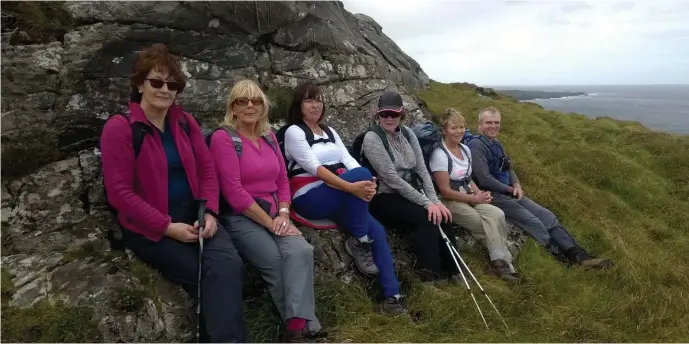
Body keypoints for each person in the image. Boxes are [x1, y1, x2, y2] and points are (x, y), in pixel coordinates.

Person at [100, 44, 246, 342]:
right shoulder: (120, 128)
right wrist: (166, 227)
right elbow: (119, 193)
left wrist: (210, 213)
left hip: (196, 215)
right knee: (206, 274)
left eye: (173, 84)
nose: (165, 89)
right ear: (140, 84)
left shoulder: (184, 121)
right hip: (150, 227)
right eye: (156, 81)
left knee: (230, 265)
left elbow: (207, 171)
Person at [209, 79, 323, 342]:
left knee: (301, 251)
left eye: (256, 101)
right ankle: (306, 327)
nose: (250, 106)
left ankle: (296, 324)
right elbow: (234, 192)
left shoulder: (270, 136)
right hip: (242, 217)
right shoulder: (223, 139)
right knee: (275, 261)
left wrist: (283, 214)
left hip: (275, 213)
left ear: (263, 106)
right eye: (242, 101)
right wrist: (271, 222)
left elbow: (283, 180)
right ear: (233, 107)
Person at [282, 81, 407, 315]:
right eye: (309, 100)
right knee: (361, 174)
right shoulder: (294, 132)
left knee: (377, 230)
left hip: (338, 193)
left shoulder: (329, 131)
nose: (315, 105)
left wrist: (366, 183)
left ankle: (393, 297)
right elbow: (313, 167)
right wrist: (354, 186)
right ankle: (359, 240)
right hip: (309, 196)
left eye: (318, 99)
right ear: (299, 105)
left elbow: (348, 161)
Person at [466, 106, 612, 268]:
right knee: (534, 222)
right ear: (479, 124)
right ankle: (564, 260)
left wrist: (517, 185)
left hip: (508, 192)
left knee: (547, 216)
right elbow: (484, 179)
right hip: (492, 196)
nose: (493, 126)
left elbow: (508, 167)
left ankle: (580, 255)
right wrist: (509, 190)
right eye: (488, 123)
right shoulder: (476, 145)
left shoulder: (496, 143)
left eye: (496, 122)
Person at [362, 91, 460, 284]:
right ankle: (430, 276)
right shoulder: (372, 139)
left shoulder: (407, 133)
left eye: (394, 114)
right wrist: (427, 204)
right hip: (383, 196)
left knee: (443, 213)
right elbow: (391, 179)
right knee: (426, 217)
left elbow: (421, 169)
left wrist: (435, 202)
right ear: (378, 114)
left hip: (409, 191)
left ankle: (454, 269)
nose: (389, 118)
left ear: (402, 114)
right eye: (384, 114)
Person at [429, 108, 520, 283]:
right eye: (454, 127)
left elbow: (467, 178)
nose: (459, 131)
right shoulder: (439, 154)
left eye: (462, 127)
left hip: (469, 195)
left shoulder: (465, 149)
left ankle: (499, 263)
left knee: (498, 214)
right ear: (444, 130)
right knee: (482, 222)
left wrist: (480, 194)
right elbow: (445, 190)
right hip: (448, 201)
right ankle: (503, 264)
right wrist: (474, 199)